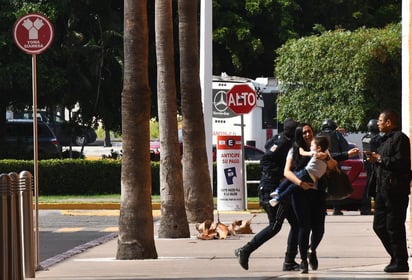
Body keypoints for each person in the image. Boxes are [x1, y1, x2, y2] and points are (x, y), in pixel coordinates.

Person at [234, 119, 300, 271]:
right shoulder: (283, 142)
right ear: (293, 131)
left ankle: (290, 261)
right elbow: (266, 160)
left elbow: (267, 146)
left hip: (279, 188)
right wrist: (282, 174)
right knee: (275, 226)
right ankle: (245, 250)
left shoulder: (281, 139)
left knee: (296, 225)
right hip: (272, 189)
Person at [365, 109, 410, 273]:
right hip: (381, 191)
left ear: (389, 122)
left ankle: (400, 262)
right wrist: (374, 159)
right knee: (379, 226)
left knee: (394, 226)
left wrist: (380, 158)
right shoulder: (383, 141)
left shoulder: (400, 139)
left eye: (380, 120)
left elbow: (401, 163)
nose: (378, 123)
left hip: (395, 191)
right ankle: (396, 257)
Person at [269, 136, 329, 207]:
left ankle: (278, 190)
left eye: (312, 145)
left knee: (292, 178)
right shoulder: (326, 158)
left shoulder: (315, 153)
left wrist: (299, 146)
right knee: (292, 187)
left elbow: (302, 152)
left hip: (306, 173)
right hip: (312, 179)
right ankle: (278, 198)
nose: (310, 147)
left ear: (318, 148)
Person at [318, 119, 350, 215]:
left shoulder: (318, 135)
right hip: (335, 163)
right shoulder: (337, 135)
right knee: (336, 185)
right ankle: (336, 209)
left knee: (321, 187)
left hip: (321, 165)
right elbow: (346, 148)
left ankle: (322, 209)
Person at [360, 119, 381, 215]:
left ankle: (365, 207)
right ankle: (376, 207)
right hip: (375, 164)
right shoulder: (377, 138)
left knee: (368, 186)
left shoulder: (365, 137)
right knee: (377, 186)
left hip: (368, 165)